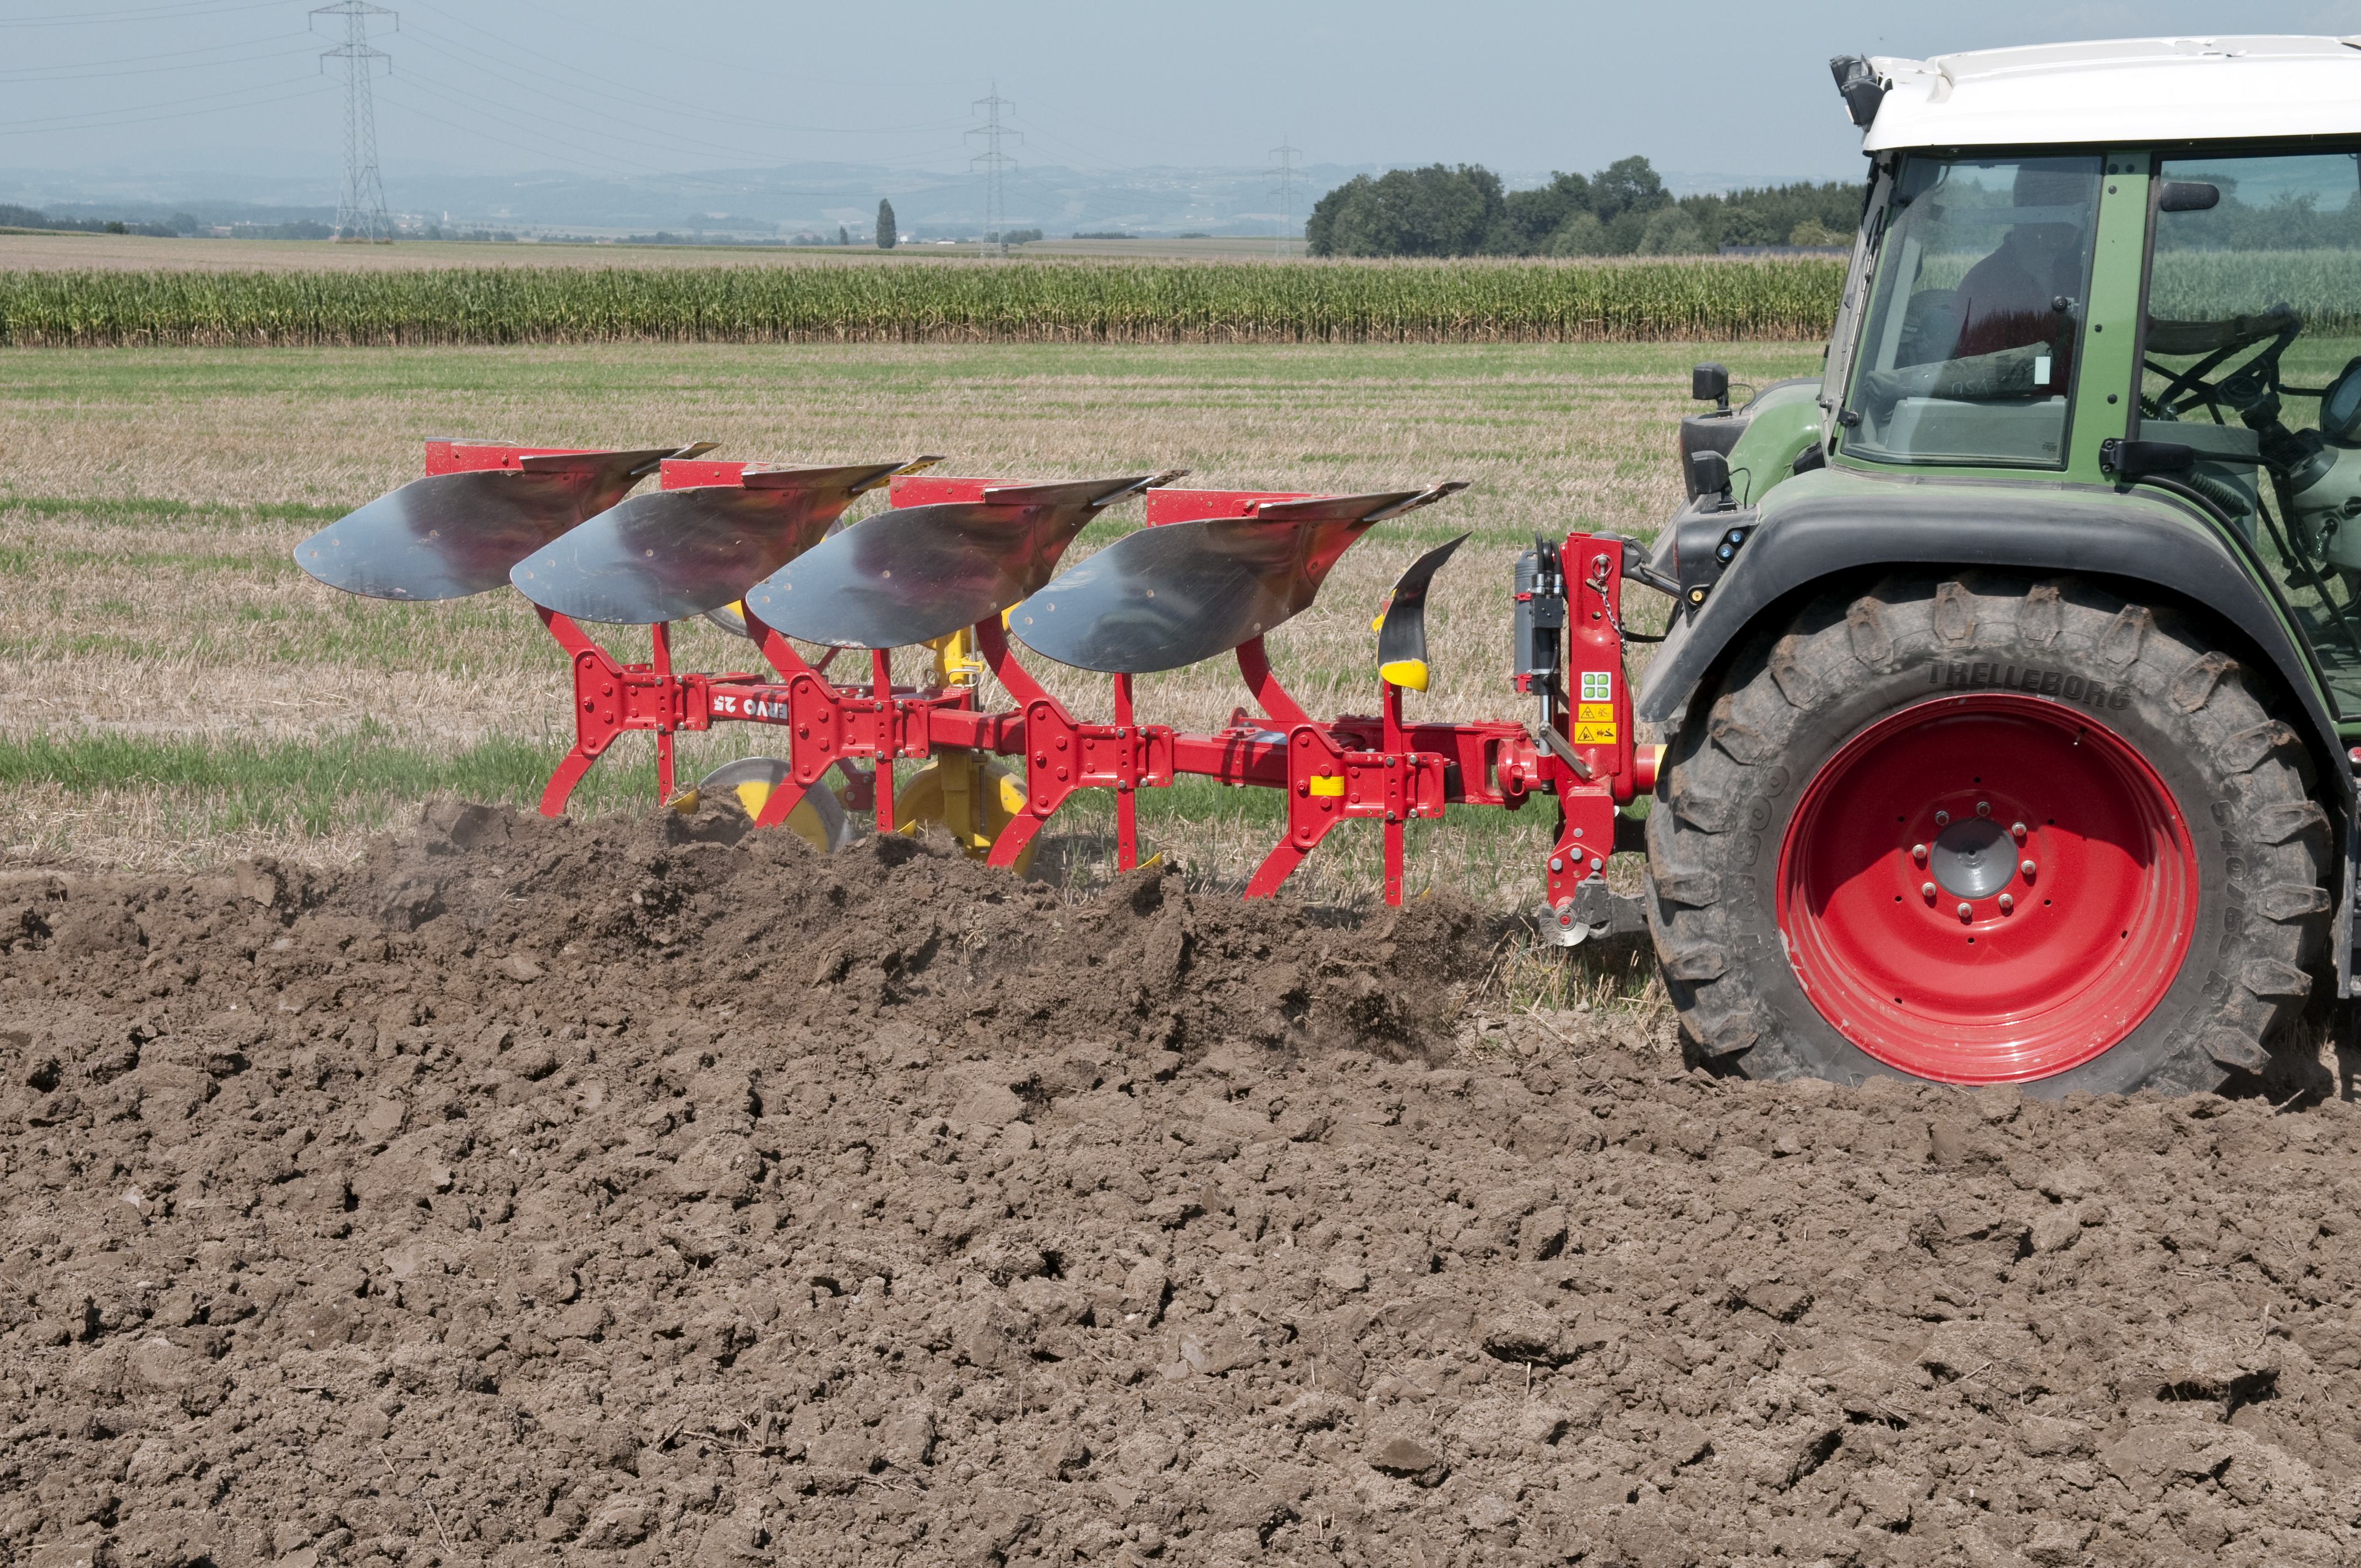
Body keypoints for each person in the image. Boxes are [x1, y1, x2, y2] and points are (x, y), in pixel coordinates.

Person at [1948, 165, 2094, 390]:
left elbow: (2135, 330)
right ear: (2027, 207)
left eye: (2082, 209)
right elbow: (1981, 379)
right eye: (2065, 206)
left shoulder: (2080, 278)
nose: (2073, 221)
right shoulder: (1985, 283)